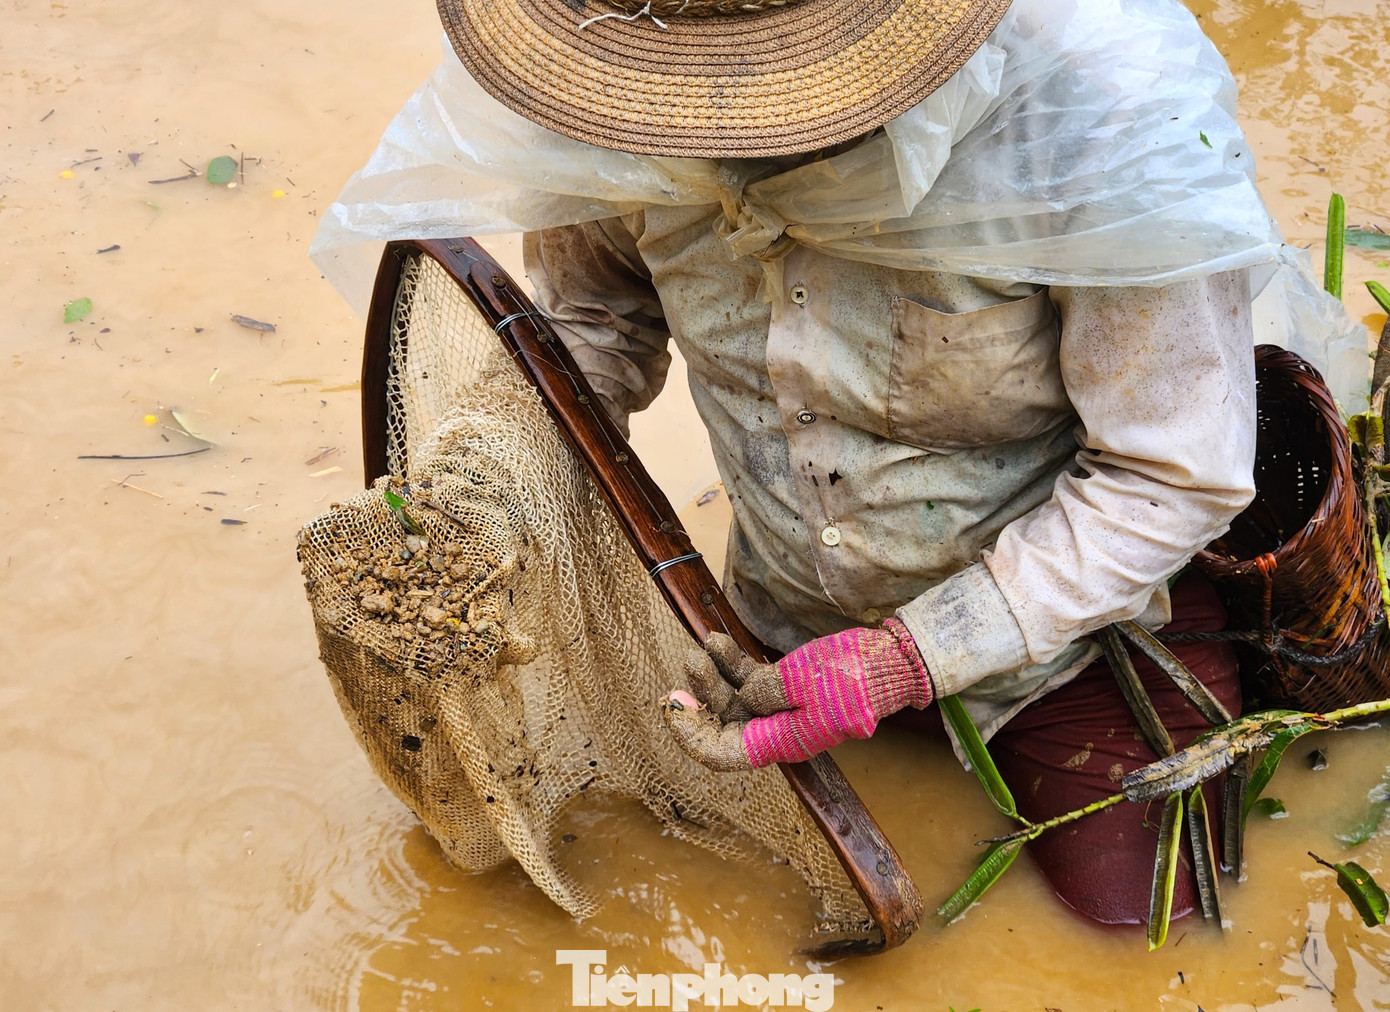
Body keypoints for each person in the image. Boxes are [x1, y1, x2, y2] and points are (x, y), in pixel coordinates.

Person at [311, 0, 1358, 927]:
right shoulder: (619, 62)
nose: (715, 127)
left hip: (1072, 642)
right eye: (681, 89)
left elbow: (1171, 474)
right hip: (773, 619)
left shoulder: (1094, 110)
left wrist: (907, 658)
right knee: (680, 878)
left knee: (1142, 938)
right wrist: (489, 487)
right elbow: (595, 322)